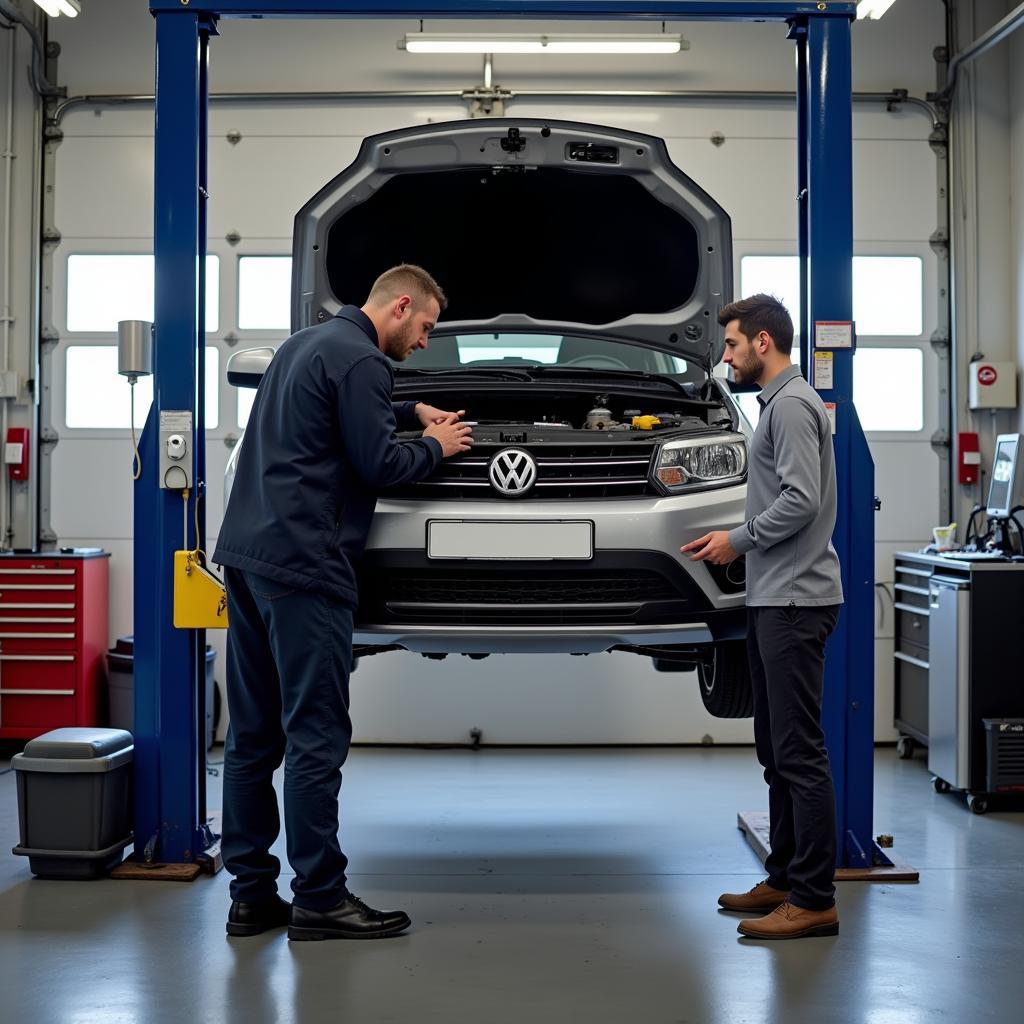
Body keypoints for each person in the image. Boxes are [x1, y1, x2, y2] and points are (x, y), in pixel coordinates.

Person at [213, 264, 473, 942]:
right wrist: (433, 444)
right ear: (403, 305)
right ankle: (321, 899)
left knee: (251, 738)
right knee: (314, 737)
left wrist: (408, 409)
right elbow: (379, 465)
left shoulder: (307, 344)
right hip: (306, 567)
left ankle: (250, 896)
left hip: (247, 557)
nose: (424, 343)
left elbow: (326, 414)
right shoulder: (364, 361)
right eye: (426, 328)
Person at [681, 294, 844, 941]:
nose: (726, 355)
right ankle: (783, 875)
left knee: (800, 754)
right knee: (776, 750)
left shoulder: (795, 408)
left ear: (764, 344)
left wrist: (736, 541)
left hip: (797, 600)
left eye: (732, 344)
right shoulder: (779, 406)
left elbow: (802, 502)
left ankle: (814, 896)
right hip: (776, 596)